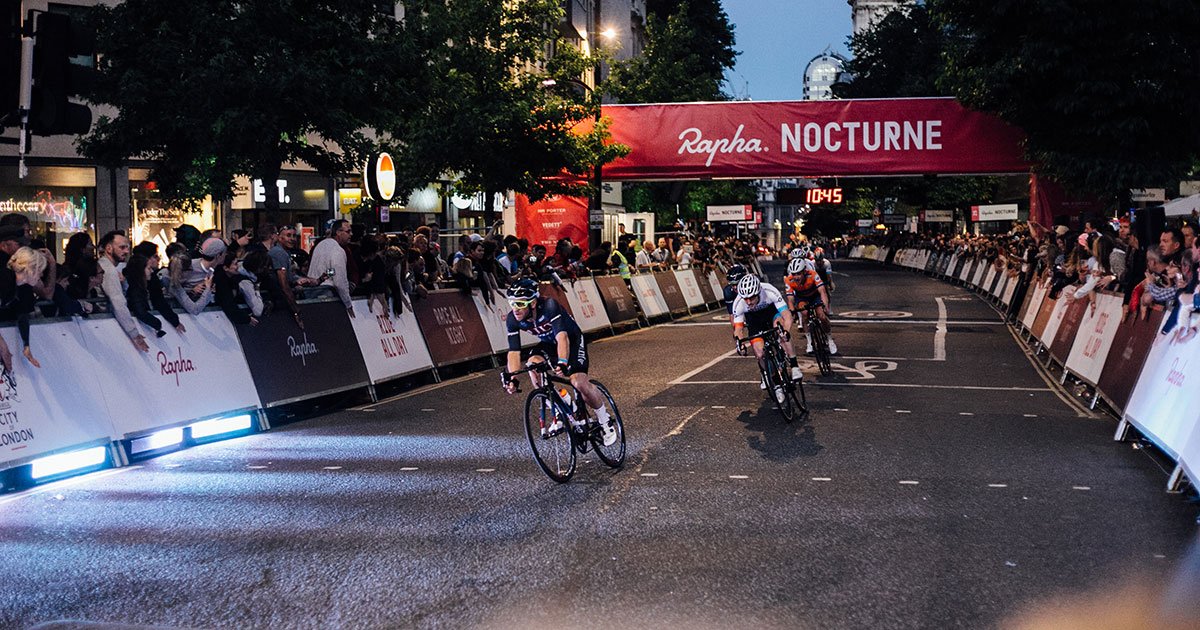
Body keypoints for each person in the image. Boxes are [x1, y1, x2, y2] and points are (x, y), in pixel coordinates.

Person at [500, 278, 617, 446]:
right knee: (532, 364)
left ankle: (604, 420)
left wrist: (562, 362)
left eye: (519, 304)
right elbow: (514, 351)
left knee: (578, 382)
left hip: (572, 339)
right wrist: (512, 378)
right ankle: (561, 403)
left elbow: (562, 337)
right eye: (512, 303)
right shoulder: (513, 319)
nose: (515, 309)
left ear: (532, 303)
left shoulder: (549, 306)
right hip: (548, 344)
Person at [730, 274, 803, 400]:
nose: (748, 301)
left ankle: (794, 364)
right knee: (760, 354)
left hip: (772, 314)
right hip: (754, 322)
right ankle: (776, 384)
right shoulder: (739, 303)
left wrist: (785, 331)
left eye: (751, 298)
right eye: (745, 299)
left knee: (781, 330)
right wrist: (739, 344)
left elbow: (787, 315)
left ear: (758, 292)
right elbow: (738, 329)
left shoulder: (769, 291)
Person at [97, 231, 150, 353]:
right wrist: (134, 333)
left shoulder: (110, 268)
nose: (126, 251)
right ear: (109, 248)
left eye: (127, 247)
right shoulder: (108, 270)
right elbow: (118, 301)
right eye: (122, 247)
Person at [783, 257, 837, 355]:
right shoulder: (789, 280)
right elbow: (790, 299)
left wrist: (825, 306)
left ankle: (829, 339)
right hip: (802, 298)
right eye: (794, 274)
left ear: (804, 271)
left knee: (821, 315)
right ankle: (809, 342)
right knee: (804, 313)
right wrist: (792, 312)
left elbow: (822, 291)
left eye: (799, 273)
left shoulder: (812, 274)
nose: (796, 277)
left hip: (814, 296)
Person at [308, 219, 354, 316]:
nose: (351, 234)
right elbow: (340, 281)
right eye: (348, 231)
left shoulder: (321, 245)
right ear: (338, 232)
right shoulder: (337, 250)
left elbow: (331, 271)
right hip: (328, 295)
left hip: (311, 293)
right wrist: (348, 304)